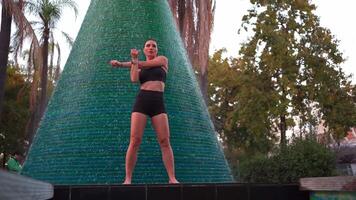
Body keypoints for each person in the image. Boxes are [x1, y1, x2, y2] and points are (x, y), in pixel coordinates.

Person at [110, 39, 179, 184]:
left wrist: (124, 63)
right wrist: (131, 62)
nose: (151, 47)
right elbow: (134, 78)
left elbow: (144, 64)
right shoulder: (138, 66)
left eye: (154, 46)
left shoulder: (162, 61)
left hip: (158, 101)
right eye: (148, 45)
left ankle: (172, 178)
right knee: (135, 140)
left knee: (165, 140)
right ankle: (128, 178)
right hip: (142, 101)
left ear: (156, 50)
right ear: (144, 49)